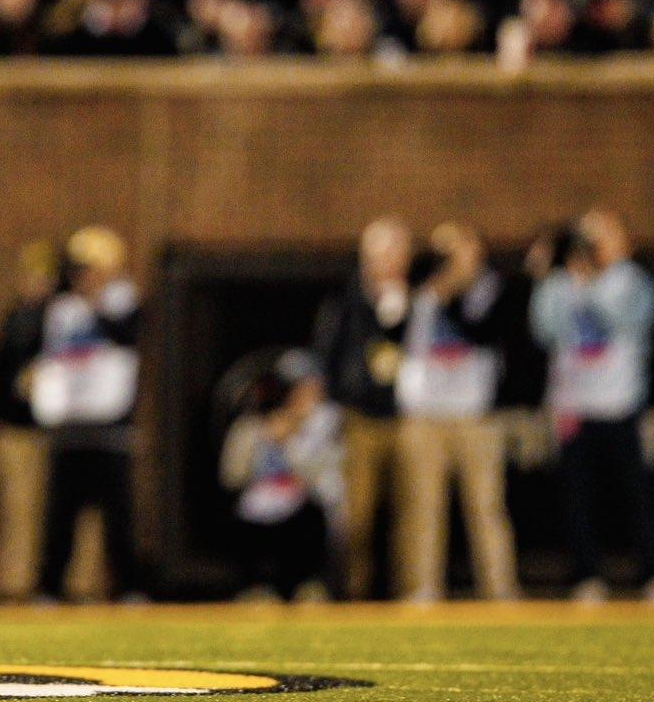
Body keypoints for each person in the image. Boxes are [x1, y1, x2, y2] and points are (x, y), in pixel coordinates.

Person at [528, 209, 654, 602]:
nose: (592, 246)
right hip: (574, 406)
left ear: (622, 241)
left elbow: (627, 324)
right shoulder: (563, 283)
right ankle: (586, 575)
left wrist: (590, 283)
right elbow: (543, 330)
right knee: (578, 498)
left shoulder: (633, 281)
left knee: (637, 495)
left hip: (621, 402)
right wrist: (548, 278)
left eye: (602, 237)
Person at [394, 222, 520, 602]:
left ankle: (500, 591)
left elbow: (481, 332)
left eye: (459, 248)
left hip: (473, 414)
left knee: (486, 508)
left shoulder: (489, 288)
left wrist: (449, 293)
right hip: (423, 414)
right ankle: (420, 590)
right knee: (421, 509)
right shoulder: (417, 288)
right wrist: (423, 289)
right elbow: (393, 334)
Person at [31, 226, 142, 602]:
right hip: (68, 425)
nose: (83, 277)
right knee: (60, 518)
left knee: (118, 518)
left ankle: (128, 587)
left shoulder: (123, 302)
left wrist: (98, 302)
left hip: (109, 426)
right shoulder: (61, 308)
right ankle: (48, 588)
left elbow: (129, 335)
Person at [312, 216, 413, 599]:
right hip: (359, 418)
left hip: (406, 418)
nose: (392, 261)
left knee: (409, 515)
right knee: (357, 516)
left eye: (398, 252)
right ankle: (353, 595)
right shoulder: (345, 301)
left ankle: (403, 595)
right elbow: (329, 357)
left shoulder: (419, 299)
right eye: (384, 252)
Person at [221, 352, 342, 601]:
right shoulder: (251, 427)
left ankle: (308, 586)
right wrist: (262, 438)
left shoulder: (329, 425)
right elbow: (231, 477)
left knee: (311, 521)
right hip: (260, 523)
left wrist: (292, 445)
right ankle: (257, 587)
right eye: (297, 390)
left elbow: (330, 486)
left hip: (306, 521)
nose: (304, 398)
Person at [0, 241, 57, 600]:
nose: (37, 284)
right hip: (15, 428)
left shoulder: (64, 318)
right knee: (19, 512)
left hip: (55, 430)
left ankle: (73, 585)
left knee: (61, 512)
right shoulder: (15, 319)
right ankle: (16, 586)